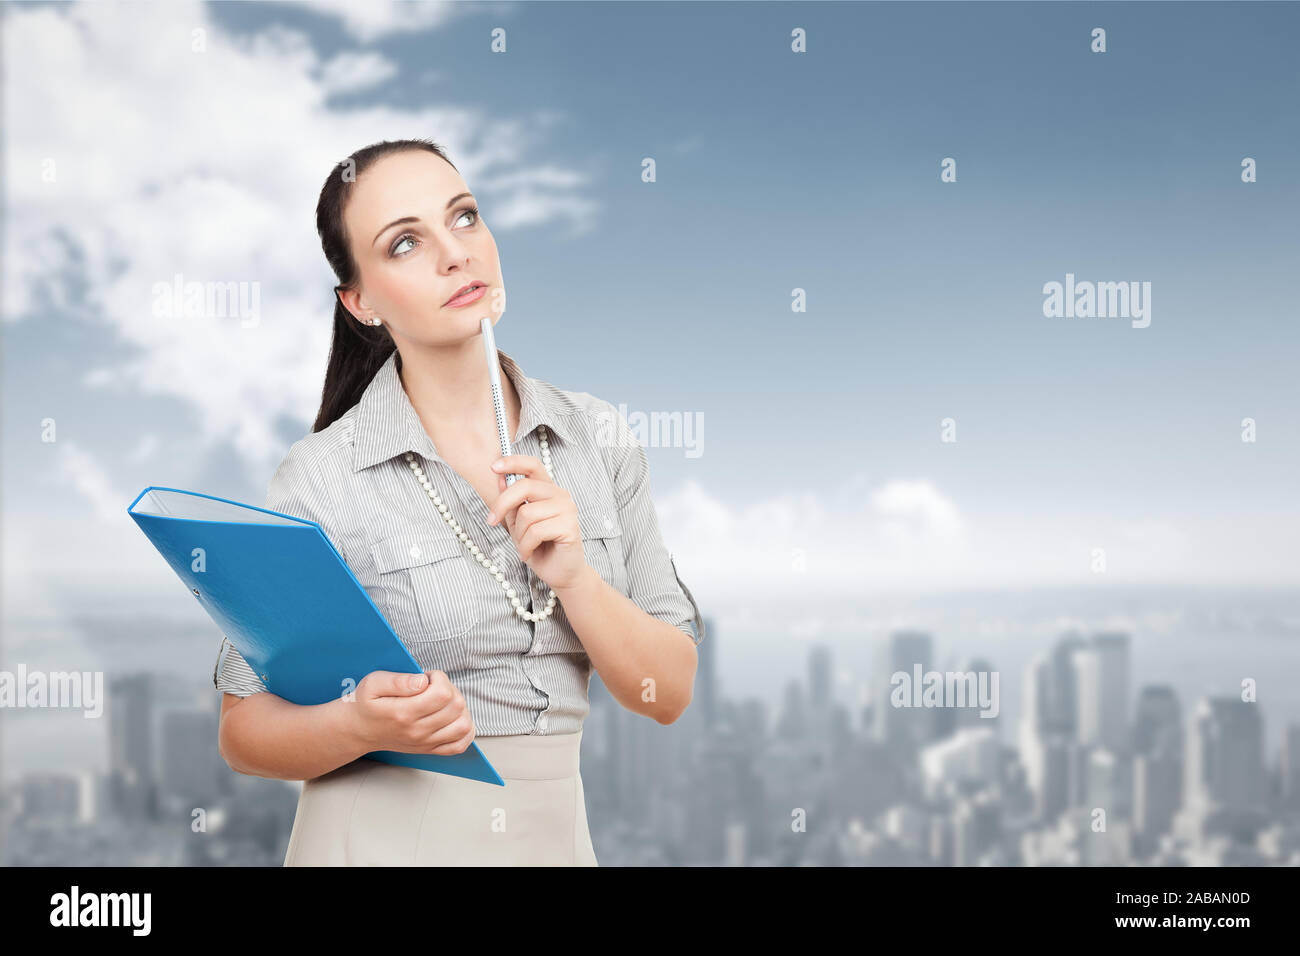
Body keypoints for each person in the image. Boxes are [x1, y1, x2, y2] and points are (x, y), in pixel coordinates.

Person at [212, 138, 705, 866]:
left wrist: (576, 578)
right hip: (375, 842)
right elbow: (242, 731)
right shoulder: (322, 475)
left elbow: (668, 692)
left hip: (553, 840)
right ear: (361, 302)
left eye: (465, 217)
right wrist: (361, 725)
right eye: (406, 242)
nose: (455, 254)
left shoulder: (596, 436)